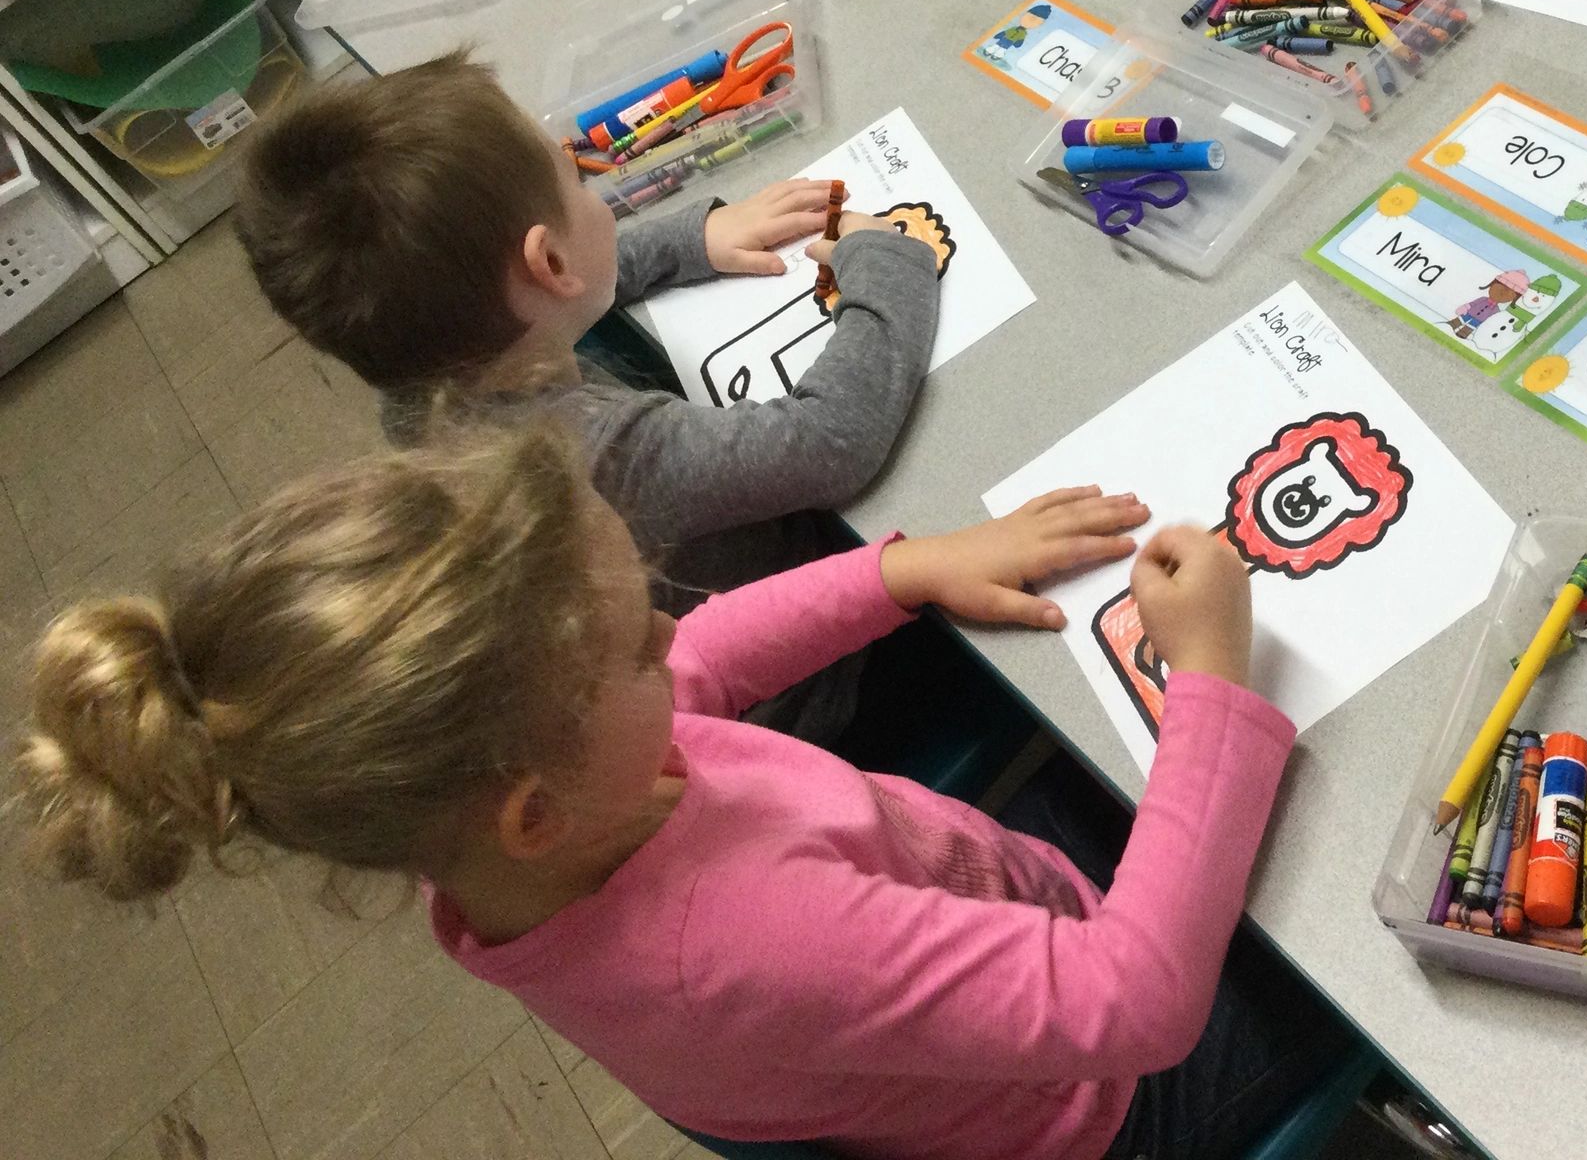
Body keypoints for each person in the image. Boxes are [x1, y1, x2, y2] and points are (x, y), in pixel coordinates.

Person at [16, 426, 1348, 1159]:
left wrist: (904, 570)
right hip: (1106, 1107)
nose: (676, 637)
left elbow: (708, 660)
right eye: (632, 647)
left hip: (998, 920)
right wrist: (1215, 681)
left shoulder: (517, 825)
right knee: (1348, 932)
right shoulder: (746, 940)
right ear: (530, 802)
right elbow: (1134, 1005)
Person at [231, 54, 938, 603]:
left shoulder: (420, 377)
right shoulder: (599, 457)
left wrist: (692, 239)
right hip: (800, 681)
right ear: (549, 260)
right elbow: (833, 441)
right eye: (576, 180)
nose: (593, 194)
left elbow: (552, 281)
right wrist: (887, 260)